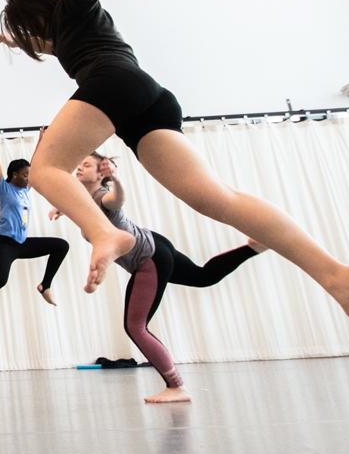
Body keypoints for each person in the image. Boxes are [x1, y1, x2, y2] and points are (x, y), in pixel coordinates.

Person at [0, 0, 349, 349]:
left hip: (114, 84)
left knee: (44, 168)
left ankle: (103, 232)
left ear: (42, 17)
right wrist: (12, 42)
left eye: (28, 35)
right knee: (219, 199)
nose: (34, 45)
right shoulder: (76, 32)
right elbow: (51, 39)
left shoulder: (77, 8)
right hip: (151, 100)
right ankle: (337, 276)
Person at [56, 154, 264, 403]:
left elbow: (117, 199)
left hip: (148, 259)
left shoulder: (103, 197)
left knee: (135, 327)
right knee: (203, 276)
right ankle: (255, 247)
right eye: (79, 164)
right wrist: (61, 209)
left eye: (86, 165)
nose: (79, 167)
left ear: (101, 175)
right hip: (156, 244)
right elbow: (82, 207)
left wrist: (117, 179)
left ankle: (175, 386)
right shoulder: (88, 200)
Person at [0, 116, 71, 306]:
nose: (29, 178)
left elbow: (36, 164)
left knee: (61, 246)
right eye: (25, 175)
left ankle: (45, 286)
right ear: (14, 175)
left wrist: (41, 140)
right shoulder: (4, 189)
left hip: (22, 243)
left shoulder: (25, 189)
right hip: (4, 244)